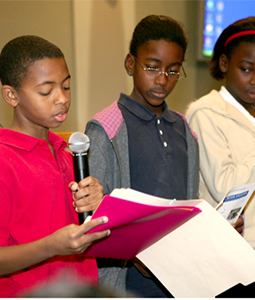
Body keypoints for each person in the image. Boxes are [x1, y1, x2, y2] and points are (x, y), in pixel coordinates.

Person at [85, 15, 199, 297]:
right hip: (127, 282)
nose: (162, 80)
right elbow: (91, 217)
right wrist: (136, 253)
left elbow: (187, 205)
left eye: (173, 71)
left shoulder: (184, 129)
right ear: (130, 63)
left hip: (178, 276)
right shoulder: (107, 127)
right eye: (152, 67)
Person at [186, 16, 255, 298]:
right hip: (231, 254)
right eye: (246, 69)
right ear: (224, 63)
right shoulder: (206, 112)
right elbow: (225, 185)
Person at [0, 35, 111, 298]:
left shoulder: (67, 151)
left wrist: (98, 204)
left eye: (66, 86)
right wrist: (52, 246)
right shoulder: (5, 160)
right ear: (11, 95)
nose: (61, 98)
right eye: (46, 91)